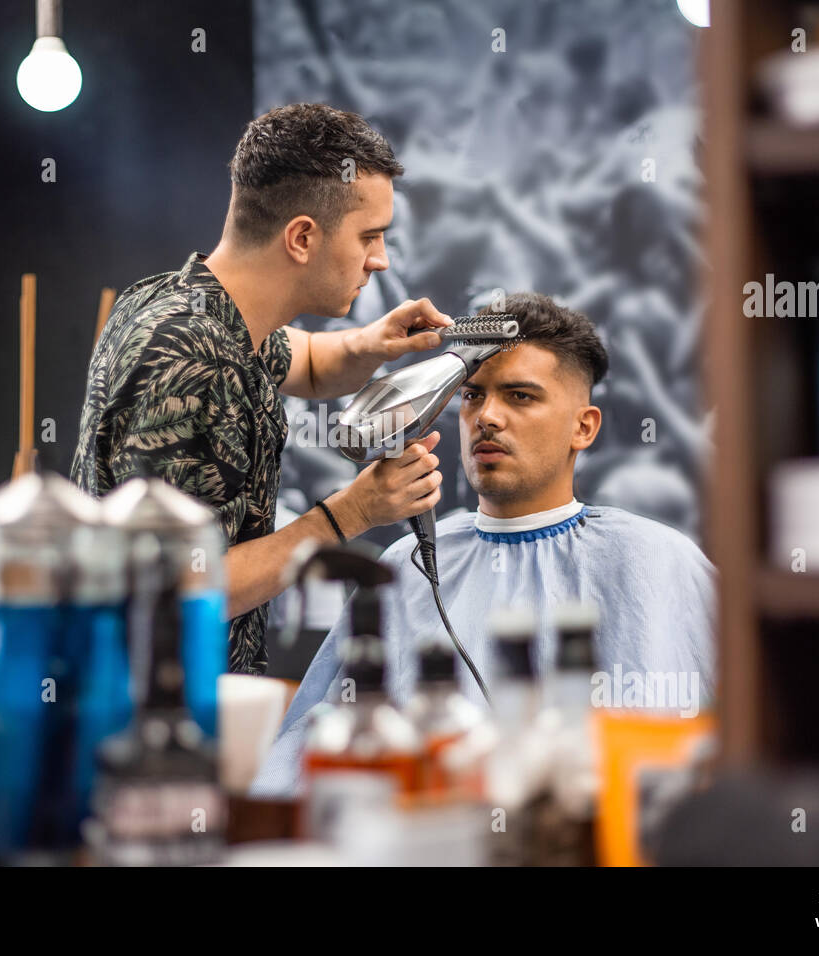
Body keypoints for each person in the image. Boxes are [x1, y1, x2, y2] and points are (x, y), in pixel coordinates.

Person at [250, 292, 717, 797]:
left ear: (583, 427)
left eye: (521, 396)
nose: (487, 417)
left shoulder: (657, 560)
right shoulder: (407, 568)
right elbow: (309, 754)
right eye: (472, 396)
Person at [71, 103, 457, 676]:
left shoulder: (191, 304)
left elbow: (308, 361)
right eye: (370, 236)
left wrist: (373, 342)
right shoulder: (183, 352)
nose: (379, 260)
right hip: (146, 716)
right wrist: (352, 513)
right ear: (302, 237)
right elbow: (173, 593)